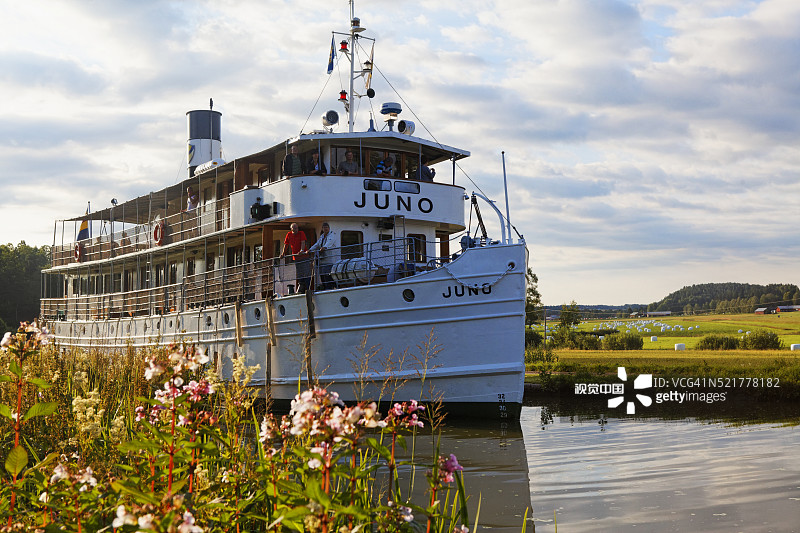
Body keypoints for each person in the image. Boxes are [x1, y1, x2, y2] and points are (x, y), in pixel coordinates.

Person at [307, 222, 338, 290]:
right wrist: (310, 249)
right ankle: (325, 287)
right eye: (324, 227)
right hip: (322, 260)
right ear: (322, 229)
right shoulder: (322, 236)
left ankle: (330, 287)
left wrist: (324, 247)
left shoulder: (331, 235)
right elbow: (317, 244)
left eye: (326, 227)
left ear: (329, 228)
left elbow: (330, 242)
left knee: (327, 274)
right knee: (322, 274)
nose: (325, 229)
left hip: (329, 260)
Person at [280, 223, 310, 293]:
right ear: (291, 229)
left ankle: (308, 288)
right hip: (296, 258)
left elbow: (303, 242)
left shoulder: (301, 233)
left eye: (297, 228)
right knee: (300, 274)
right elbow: (286, 245)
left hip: (304, 256)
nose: (296, 229)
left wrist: (302, 250)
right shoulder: (289, 234)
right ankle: (302, 289)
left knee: (306, 272)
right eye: (294, 228)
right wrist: (283, 254)